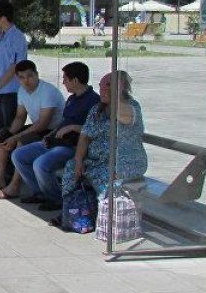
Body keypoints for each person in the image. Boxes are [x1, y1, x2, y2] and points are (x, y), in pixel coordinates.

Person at [58, 70, 147, 228]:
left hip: (123, 162)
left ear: (120, 88)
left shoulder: (131, 107)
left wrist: (115, 96)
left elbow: (124, 117)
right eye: (101, 86)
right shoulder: (96, 110)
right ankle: (72, 212)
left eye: (108, 86)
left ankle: (107, 218)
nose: (102, 90)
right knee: (71, 168)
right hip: (97, 161)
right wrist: (78, 160)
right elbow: (85, 136)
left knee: (104, 176)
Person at [11, 61, 100, 209]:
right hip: (58, 141)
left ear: (75, 80)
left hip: (74, 146)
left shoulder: (94, 101)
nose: (63, 82)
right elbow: (64, 122)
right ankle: (39, 192)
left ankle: (55, 198)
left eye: (65, 79)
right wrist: (51, 135)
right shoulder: (71, 99)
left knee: (40, 164)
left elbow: (96, 129)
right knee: (18, 155)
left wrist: (72, 127)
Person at [0, 60, 64, 199]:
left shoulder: (48, 91)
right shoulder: (22, 91)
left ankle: (14, 187)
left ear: (37, 74)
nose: (26, 81)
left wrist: (15, 138)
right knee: (0, 138)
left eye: (30, 76)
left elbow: (43, 124)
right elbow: (20, 117)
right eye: (21, 77)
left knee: (22, 142)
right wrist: (9, 135)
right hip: (38, 129)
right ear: (17, 78)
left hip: (53, 132)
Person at [0, 2, 26, 134]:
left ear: (3, 18)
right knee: (1, 132)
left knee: (10, 132)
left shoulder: (17, 37)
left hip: (11, 92)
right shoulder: (2, 37)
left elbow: (15, 67)